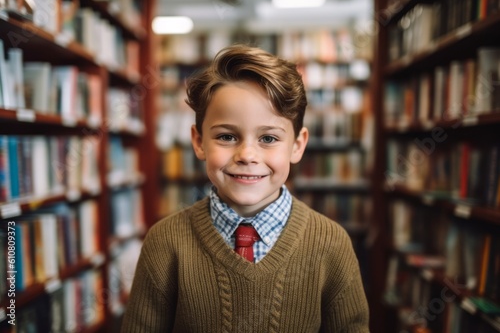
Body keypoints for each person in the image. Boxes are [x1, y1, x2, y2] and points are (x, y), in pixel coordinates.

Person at [121, 44, 369, 332]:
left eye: (268, 139)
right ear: (199, 142)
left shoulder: (331, 243)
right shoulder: (165, 242)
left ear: (297, 145)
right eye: (227, 136)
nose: (247, 155)